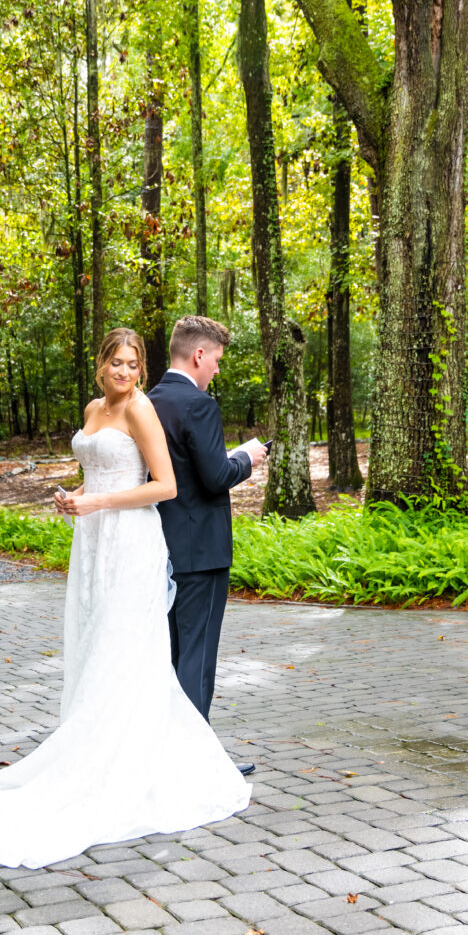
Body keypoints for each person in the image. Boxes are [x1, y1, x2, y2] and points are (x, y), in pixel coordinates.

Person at [0, 328, 251, 869]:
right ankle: (90, 750)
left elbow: (164, 486)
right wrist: (76, 496)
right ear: (100, 366)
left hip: (130, 542)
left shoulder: (142, 410)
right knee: (95, 641)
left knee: (123, 652)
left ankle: (121, 766)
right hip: (93, 541)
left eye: (132, 363)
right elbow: (96, 469)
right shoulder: (94, 408)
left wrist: (96, 502)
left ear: (142, 369)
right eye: (115, 363)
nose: (124, 372)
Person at [148, 316, 267, 768]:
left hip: (160, 546)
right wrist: (247, 458)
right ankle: (196, 764)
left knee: (174, 654)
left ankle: (171, 752)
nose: (216, 369)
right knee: (196, 660)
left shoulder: (147, 402)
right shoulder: (199, 405)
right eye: (216, 360)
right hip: (202, 551)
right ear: (198, 355)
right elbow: (216, 477)